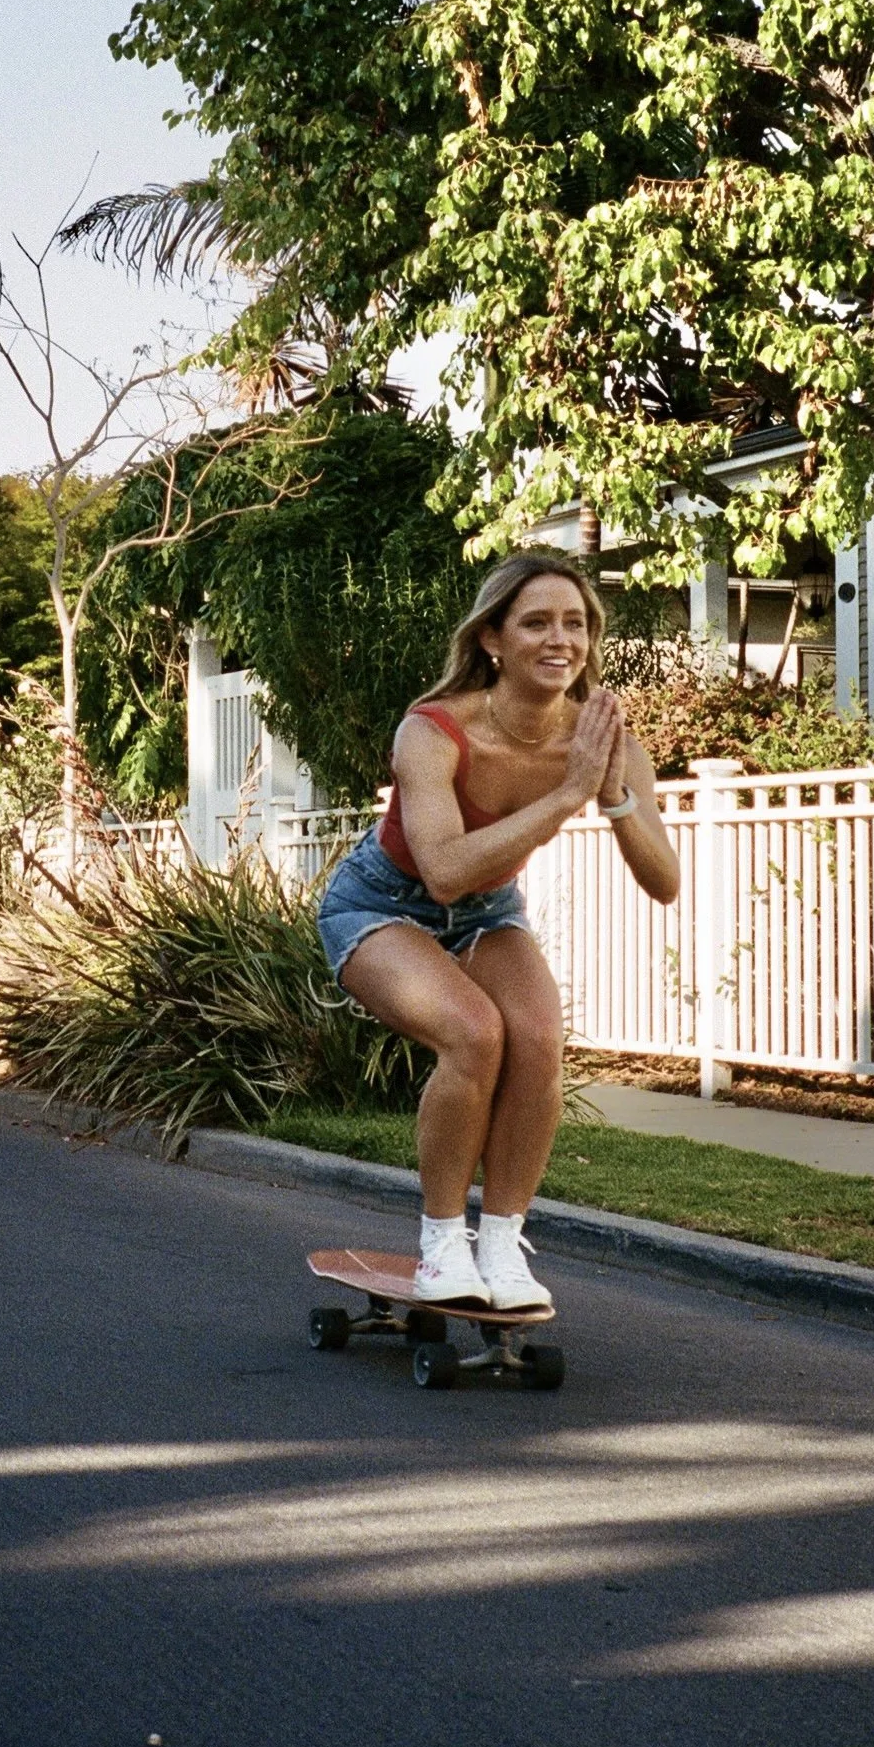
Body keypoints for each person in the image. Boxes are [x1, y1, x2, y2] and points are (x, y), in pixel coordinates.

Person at [315, 552, 680, 1309]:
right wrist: (572, 791)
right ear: (492, 638)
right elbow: (443, 869)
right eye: (537, 621)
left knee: (540, 1037)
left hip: (487, 913)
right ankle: (443, 1244)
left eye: (575, 623)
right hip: (382, 903)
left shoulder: (598, 738)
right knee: (475, 1033)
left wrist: (610, 798)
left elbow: (664, 880)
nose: (561, 640)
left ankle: (503, 1247)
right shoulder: (435, 729)